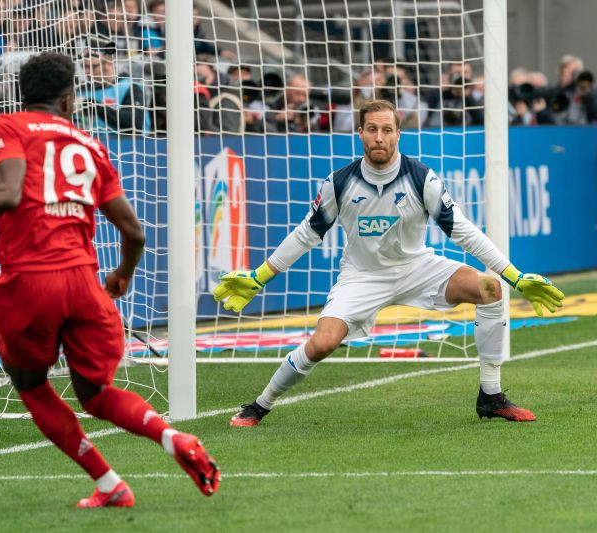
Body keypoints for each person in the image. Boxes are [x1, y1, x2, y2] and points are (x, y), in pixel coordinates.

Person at [0, 52, 219, 507]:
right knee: (94, 394)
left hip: (31, 281)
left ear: (22, 95)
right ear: (69, 97)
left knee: (32, 386)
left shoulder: (7, 127)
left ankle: (109, 479)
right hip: (85, 283)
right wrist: (122, 274)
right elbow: (134, 232)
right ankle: (170, 439)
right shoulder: (91, 145)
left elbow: (8, 192)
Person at [214, 99, 565, 427]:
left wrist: (514, 276)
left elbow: (463, 231)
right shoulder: (339, 182)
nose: (379, 137)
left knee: (490, 289)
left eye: (386, 129)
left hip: (416, 268)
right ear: (360, 133)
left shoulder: (421, 179)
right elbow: (306, 234)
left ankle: (491, 396)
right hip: (362, 277)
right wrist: (259, 277)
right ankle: (261, 404)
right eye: (371, 129)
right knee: (321, 344)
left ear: (398, 133)